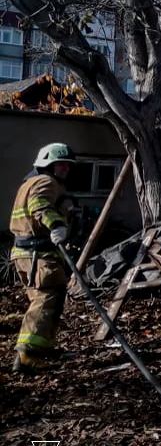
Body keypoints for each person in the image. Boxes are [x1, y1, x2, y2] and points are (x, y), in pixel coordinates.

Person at [9, 142, 76, 372]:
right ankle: (28, 353)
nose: (66, 169)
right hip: (39, 253)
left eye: (68, 166)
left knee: (43, 298)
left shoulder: (29, 182)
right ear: (47, 164)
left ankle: (42, 347)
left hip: (26, 253)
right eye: (61, 165)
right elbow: (40, 206)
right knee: (48, 298)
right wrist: (56, 224)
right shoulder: (46, 182)